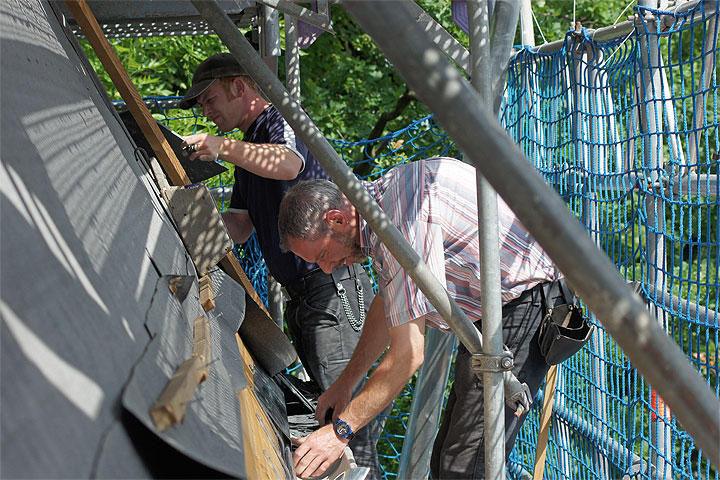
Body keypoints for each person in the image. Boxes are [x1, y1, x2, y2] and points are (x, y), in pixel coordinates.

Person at [278, 157, 573, 479]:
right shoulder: (383, 206)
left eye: (322, 255)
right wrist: (346, 382)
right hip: (497, 313)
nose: (326, 268)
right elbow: (386, 304)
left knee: (464, 466)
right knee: (448, 460)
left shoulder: (400, 222)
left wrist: (339, 432)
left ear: (336, 220)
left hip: (526, 305)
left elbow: (408, 356)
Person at [177, 53, 382, 479]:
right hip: (305, 296)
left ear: (240, 86)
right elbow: (239, 225)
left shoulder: (278, 119)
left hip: (333, 285)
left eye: (210, 99)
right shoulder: (250, 152)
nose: (207, 111)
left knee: (348, 424)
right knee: (328, 409)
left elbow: (289, 162)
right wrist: (180, 211)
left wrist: (222, 148)